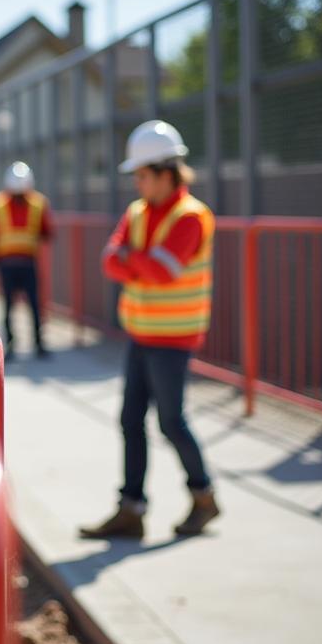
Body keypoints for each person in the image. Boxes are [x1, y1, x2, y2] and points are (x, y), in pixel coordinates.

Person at [80, 120, 220, 539]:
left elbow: (162, 271)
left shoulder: (191, 216)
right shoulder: (138, 212)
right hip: (142, 334)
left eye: (141, 174)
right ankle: (131, 508)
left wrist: (131, 258)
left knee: (171, 422)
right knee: (130, 420)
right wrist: (137, 259)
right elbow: (109, 260)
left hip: (173, 339)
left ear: (166, 172)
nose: (137, 183)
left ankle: (204, 497)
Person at [0, 161, 53, 360]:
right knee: (20, 304)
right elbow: (47, 233)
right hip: (20, 263)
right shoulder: (36, 203)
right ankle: (29, 344)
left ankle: (22, 344)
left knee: (19, 304)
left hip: (15, 263)